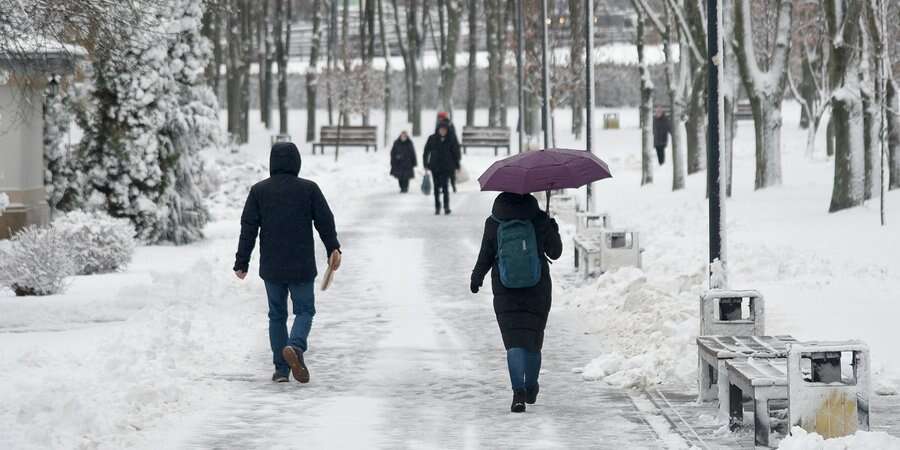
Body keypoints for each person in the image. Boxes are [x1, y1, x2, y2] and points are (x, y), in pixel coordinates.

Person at [233, 142, 342, 384]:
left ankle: (281, 369)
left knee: (277, 315)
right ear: (297, 162)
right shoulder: (309, 189)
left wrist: (242, 261)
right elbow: (325, 220)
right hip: (301, 264)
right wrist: (332, 247)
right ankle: (296, 347)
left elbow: (248, 228)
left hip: (272, 266)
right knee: (304, 310)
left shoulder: (259, 191)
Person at [470, 192, 563, 413]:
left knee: (514, 342)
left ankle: (518, 393)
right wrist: (552, 227)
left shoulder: (494, 221)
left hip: (505, 288)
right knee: (532, 339)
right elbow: (556, 252)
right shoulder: (538, 218)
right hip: (537, 286)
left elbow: (486, 254)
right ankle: (531, 386)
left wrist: (477, 277)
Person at [423, 122, 461, 215]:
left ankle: (446, 206)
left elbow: (456, 152)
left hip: (447, 167)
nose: (443, 131)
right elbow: (426, 151)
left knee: (445, 187)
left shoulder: (451, 139)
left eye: (444, 130)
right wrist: (426, 164)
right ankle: (437, 206)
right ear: (438, 130)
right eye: (441, 129)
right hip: (435, 166)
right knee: (436, 187)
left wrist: (457, 165)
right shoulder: (432, 138)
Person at [435, 111, 461, 192]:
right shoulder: (449, 124)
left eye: (439, 117)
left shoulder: (441, 124)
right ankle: (452, 185)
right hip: (451, 150)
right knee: (450, 170)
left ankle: (443, 186)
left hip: (446, 149)